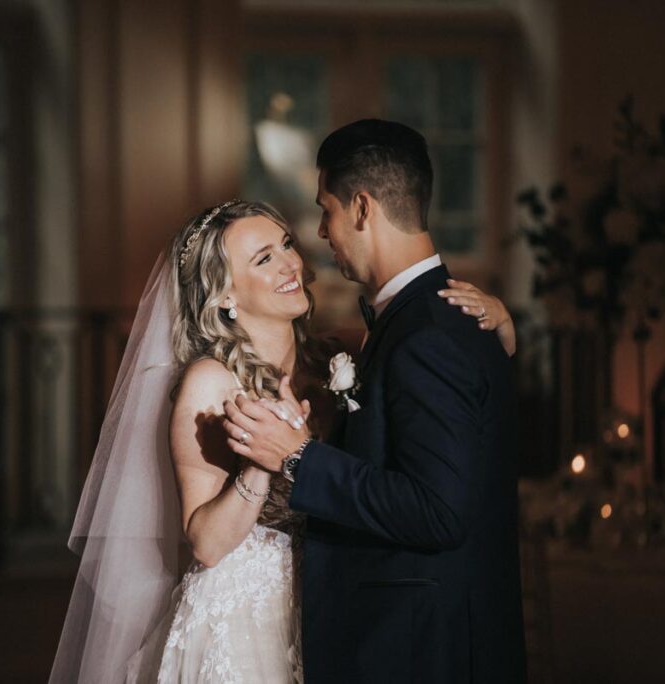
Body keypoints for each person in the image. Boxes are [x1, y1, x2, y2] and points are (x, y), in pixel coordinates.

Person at [49, 196, 516, 682]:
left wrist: (500, 331)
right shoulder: (211, 383)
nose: (290, 263)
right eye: (263, 258)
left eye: (286, 244)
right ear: (224, 294)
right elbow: (206, 543)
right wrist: (261, 462)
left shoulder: (333, 363)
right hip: (244, 623)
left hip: (332, 609)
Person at [225, 119, 527, 682]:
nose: (320, 231)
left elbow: (438, 511)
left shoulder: (430, 334)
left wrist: (299, 457)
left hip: (420, 652)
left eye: (327, 209)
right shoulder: (442, 318)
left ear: (362, 208)